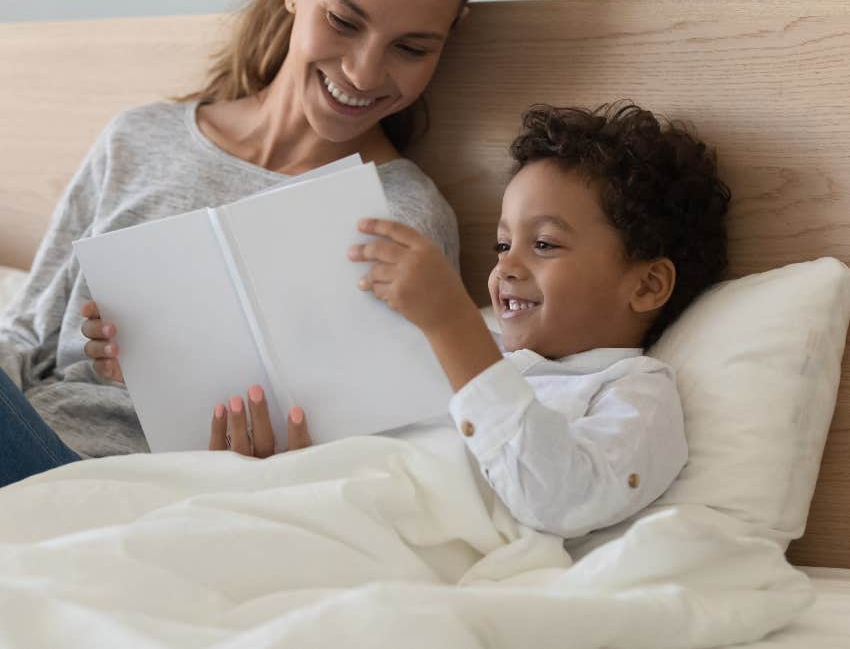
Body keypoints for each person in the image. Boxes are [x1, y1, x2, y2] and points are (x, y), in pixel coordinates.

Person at [0, 0, 482, 487]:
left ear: (449, 38)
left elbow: (376, 451)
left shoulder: (403, 220)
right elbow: (25, 333)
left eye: (411, 48)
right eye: (343, 21)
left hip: (138, 486)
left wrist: (275, 461)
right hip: (33, 443)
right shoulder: (137, 140)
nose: (364, 73)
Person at [215, 102, 730, 539]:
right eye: (502, 245)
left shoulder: (633, 392)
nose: (505, 267)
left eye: (544, 244)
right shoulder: (463, 346)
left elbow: (559, 500)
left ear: (646, 285)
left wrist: (451, 326)